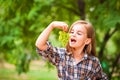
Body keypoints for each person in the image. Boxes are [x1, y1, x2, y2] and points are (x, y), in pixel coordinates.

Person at [35, 20, 108, 80]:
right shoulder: (61, 55)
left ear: (87, 41)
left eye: (79, 33)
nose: (73, 34)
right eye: (72, 32)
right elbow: (40, 45)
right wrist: (52, 25)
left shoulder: (93, 62)